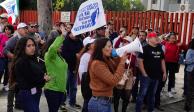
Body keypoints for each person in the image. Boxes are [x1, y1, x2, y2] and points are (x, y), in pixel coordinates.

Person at [88, 38, 128, 112]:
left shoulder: (106, 60)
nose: (112, 49)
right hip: (99, 103)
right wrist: (122, 62)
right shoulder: (97, 64)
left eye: (111, 46)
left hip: (104, 101)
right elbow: (113, 80)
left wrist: (116, 57)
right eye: (109, 47)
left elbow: (115, 69)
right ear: (101, 49)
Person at [12, 37, 49, 112]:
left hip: (36, 91)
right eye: (28, 46)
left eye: (33, 45)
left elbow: (39, 72)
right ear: (22, 48)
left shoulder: (33, 58)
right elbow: (30, 80)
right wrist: (44, 79)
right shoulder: (21, 62)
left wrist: (43, 76)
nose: (32, 48)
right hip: (27, 93)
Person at [135, 32, 166, 112]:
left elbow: (162, 60)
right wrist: (144, 73)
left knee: (152, 95)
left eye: (156, 36)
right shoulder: (144, 48)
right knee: (142, 95)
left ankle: (150, 110)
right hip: (146, 77)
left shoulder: (159, 48)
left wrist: (164, 72)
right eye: (154, 37)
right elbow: (139, 61)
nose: (156, 38)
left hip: (156, 76)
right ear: (149, 39)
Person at [4, 22, 29, 112]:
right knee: (12, 86)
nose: (26, 30)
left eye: (26, 28)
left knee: (20, 85)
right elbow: (5, 50)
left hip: (23, 65)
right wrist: (14, 57)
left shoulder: (27, 39)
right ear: (18, 30)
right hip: (13, 65)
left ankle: (18, 104)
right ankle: (9, 108)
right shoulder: (14, 39)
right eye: (23, 28)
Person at [44, 26, 68, 112]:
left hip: (60, 90)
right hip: (52, 90)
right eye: (60, 44)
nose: (62, 45)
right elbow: (53, 48)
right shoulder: (49, 55)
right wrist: (62, 36)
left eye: (62, 43)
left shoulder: (59, 56)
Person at [113, 39, 137, 112]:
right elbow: (115, 46)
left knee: (127, 95)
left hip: (129, 74)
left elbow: (134, 66)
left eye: (127, 42)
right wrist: (120, 37)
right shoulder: (119, 52)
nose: (125, 44)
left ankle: (124, 110)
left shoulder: (133, 54)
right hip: (120, 73)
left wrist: (134, 76)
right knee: (117, 94)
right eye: (124, 42)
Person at [61, 32, 83, 109]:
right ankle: (62, 102)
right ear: (70, 33)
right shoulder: (65, 41)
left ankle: (72, 102)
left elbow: (82, 51)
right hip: (66, 66)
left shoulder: (79, 41)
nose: (75, 36)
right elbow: (63, 54)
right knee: (65, 86)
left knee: (74, 87)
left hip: (75, 67)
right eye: (74, 34)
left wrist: (80, 55)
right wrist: (75, 55)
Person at [163, 32, 183, 97]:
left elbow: (185, 47)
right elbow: (159, 40)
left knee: (171, 77)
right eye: (171, 38)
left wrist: (181, 45)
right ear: (168, 38)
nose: (173, 39)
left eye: (174, 38)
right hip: (165, 62)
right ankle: (161, 89)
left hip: (173, 63)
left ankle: (169, 91)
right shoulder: (165, 43)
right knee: (164, 76)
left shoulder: (177, 45)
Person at [78, 37, 95, 112]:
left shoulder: (92, 55)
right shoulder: (86, 56)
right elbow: (82, 72)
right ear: (89, 46)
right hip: (87, 84)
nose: (95, 44)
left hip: (91, 83)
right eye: (93, 43)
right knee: (87, 102)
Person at [0, 24, 14, 91]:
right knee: (1, 70)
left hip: (9, 58)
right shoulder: (1, 35)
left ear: (11, 30)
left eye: (9, 29)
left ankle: (5, 85)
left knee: (8, 72)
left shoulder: (13, 38)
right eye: (6, 29)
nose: (7, 31)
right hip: (1, 57)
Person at [184, 39, 194, 112]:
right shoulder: (190, 50)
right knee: (190, 89)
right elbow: (187, 61)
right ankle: (188, 105)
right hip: (191, 71)